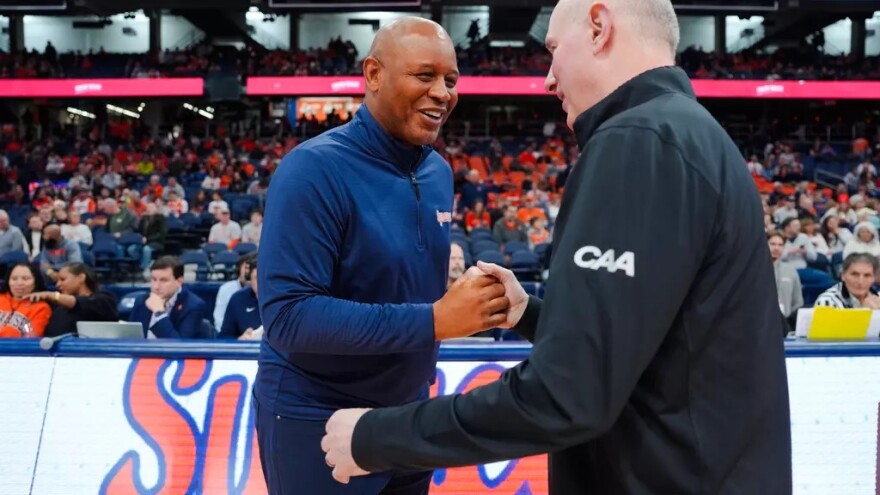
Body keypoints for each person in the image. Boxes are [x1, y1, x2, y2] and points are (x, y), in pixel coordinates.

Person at [321, 0, 792, 493]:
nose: (548, 79)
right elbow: (646, 354)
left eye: (552, 51)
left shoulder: (637, 141)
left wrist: (376, 437)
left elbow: (566, 396)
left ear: (598, 27)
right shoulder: (691, 134)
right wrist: (530, 313)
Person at [256, 16, 509, 495]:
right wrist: (434, 320)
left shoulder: (438, 171)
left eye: (451, 80)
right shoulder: (311, 170)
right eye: (424, 75)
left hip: (409, 414)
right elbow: (287, 316)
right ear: (373, 75)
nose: (442, 92)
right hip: (318, 415)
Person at [128, 256, 209, 339]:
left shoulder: (193, 306)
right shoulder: (141, 302)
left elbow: (180, 348)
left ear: (179, 281)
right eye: (154, 279)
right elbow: (130, 339)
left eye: (163, 280)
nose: (156, 286)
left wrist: (159, 313)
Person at [32, 262, 118, 338]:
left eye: (63, 279)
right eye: (57, 280)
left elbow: (78, 302)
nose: (58, 284)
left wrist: (50, 295)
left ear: (81, 278)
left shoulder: (104, 299)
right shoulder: (58, 306)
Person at [0, 262, 51, 338]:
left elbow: (31, 336)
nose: (19, 283)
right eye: (14, 279)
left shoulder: (41, 307)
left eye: (25, 279)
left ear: (36, 282)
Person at [815, 253, 880, 309]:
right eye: (855, 274)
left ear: (874, 278)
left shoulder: (878, 296)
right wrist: (863, 312)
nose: (860, 281)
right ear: (843, 275)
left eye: (867, 275)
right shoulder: (827, 301)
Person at [219, 258, 261, 340]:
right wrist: (240, 340)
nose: (262, 283)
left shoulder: (285, 299)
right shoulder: (238, 299)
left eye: (266, 278)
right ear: (250, 279)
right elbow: (223, 337)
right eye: (257, 278)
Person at [768, 232, 803, 324]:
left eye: (780, 245)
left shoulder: (791, 270)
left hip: (785, 324)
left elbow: (798, 302)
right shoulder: (755, 269)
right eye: (772, 244)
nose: (776, 248)